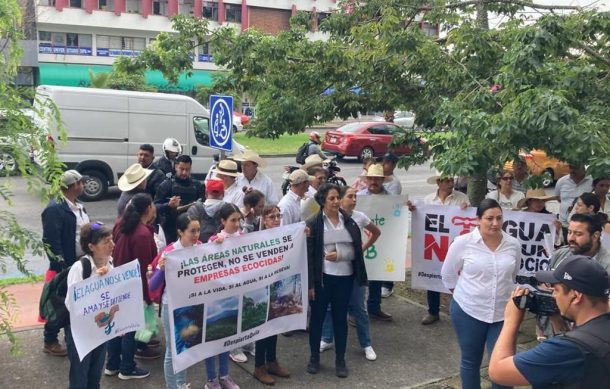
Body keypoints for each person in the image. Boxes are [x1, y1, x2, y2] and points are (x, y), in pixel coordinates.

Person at [488, 256, 610, 388]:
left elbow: (497, 372)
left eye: (556, 290)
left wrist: (511, 320)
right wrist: (557, 321)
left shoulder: (565, 350)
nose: (553, 296)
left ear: (576, 296)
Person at [441, 198, 520, 389]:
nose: (495, 223)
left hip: (503, 314)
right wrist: (465, 295)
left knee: (503, 365)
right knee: (470, 361)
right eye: (489, 218)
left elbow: (514, 273)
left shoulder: (513, 244)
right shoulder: (463, 242)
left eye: (499, 218)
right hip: (468, 311)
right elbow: (448, 274)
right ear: (478, 220)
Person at [306, 183, 368, 378]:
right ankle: (314, 357)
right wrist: (310, 285)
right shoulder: (314, 223)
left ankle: (340, 359)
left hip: (345, 278)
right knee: (317, 319)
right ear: (323, 201)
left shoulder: (349, 222)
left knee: (340, 319)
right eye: (331, 198)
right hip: (323, 280)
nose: (335, 201)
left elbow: (356, 251)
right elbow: (309, 256)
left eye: (337, 198)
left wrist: (341, 253)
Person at [320, 186, 381, 361]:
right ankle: (326, 338)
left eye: (355, 197)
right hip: (331, 272)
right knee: (330, 307)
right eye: (350, 196)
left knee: (359, 307)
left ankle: (366, 343)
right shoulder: (327, 218)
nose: (354, 199)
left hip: (354, 272)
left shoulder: (360, 217)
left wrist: (363, 248)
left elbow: (376, 232)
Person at [407, 171, 470, 326]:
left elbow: (467, 218)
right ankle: (433, 311)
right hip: (435, 246)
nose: (450, 183)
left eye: (451, 179)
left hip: (453, 246)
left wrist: (467, 208)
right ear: (438, 183)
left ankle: (459, 314)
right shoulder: (428, 199)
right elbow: (422, 218)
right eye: (447, 180)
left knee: (457, 279)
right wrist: (414, 210)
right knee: (432, 276)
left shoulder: (462, 198)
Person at [107, 193, 158, 379]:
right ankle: (127, 368)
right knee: (129, 329)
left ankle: (112, 364)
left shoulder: (122, 224)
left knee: (115, 326)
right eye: (153, 205)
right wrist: (147, 296)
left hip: (116, 281)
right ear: (148, 209)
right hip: (131, 286)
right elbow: (143, 269)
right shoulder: (143, 234)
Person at [149, 213, 202, 389]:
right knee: (173, 351)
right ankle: (172, 386)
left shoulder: (201, 248)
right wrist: (162, 269)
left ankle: (181, 384)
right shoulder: (170, 252)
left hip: (191, 304)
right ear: (180, 232)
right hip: (171, 306)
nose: (196, 235)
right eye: (192, 231)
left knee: (185, 347)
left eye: (198, 231)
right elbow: (153, 285)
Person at [41, 169, 89, 356]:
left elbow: (82, 231)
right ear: (73, 186)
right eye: (80, 182)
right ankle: (50, 340)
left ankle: (73, 334)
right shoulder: (55, 209)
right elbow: (51, 241)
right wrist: (62, 266)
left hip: (80, 262)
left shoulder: (79, 206)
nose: (83, 185)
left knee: (76, 302)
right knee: (59, 303)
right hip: (65, 266)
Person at [64, 223, 114, 389]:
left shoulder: (110, 263)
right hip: (80, 332)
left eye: (111, 240)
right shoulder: (81, 268)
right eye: (106, 242)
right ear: (91, 246)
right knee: (79, 376)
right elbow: (71, 303)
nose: (112, 245)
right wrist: (94, 281)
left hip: (100, 329)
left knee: (95, 375)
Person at [252, 204, 291, 385]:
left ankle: (272, 361)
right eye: (272, 217)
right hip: (261, 289)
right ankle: (259, 366)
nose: (276, 220)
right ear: (264, 220)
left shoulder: (284, 235)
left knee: (275, 324)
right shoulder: (257, 238)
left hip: (277, 286)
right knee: (263, 327)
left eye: (278, 216)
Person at [205, 203, 243, 389]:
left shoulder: (244, 238)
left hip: (236, 295)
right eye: (232, 220)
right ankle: (211, 379)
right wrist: (214, 247)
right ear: (222, 221)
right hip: (217, 298)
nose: (236, 224)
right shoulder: (215, 239)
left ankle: (225, 375)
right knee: (213, 337)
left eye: (238, 220)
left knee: (228, 335)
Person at [356, 164, 392, 320]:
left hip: (382, 241)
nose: (373, 181)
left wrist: (406, 208)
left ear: (382, 180)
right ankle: (355, 311)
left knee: (378, 273)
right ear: (366, 180)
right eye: (370, 178)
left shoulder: (391, 199)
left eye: (377, 179)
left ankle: (374, 307)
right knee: (359, 278)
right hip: (362, 241)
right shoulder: (357, 197)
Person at [155, 155, 204, 243]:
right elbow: (155, 207)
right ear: (175, 167)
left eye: (187, 169)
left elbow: (203, 204)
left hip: (191, 228)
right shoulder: (166, 185)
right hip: (171, 228)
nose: (184, 173)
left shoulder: (197, 185)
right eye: (181, 169)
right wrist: (168, 205)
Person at [555, 164, 593, 242]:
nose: (572, 170)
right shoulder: (561, 181)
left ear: (583, 168)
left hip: (583, 228)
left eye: (576, 168)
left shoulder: (591, 181)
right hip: (564, 227)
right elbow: (559, 198)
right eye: (571, 167)